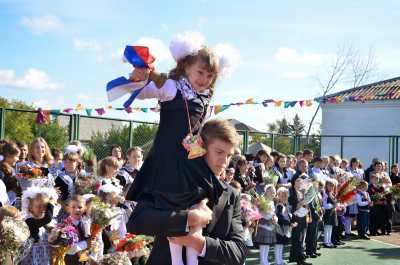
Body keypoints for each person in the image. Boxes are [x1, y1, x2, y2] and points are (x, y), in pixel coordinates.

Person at [127, 119, 246, 265]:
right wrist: (189, 218)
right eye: (219, 152)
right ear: (202, 147)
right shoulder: (170, 180)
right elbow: (137, 221)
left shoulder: (232, 194)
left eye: (229, 155)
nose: (224, 161)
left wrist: (199, 243)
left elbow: (239, 252)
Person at [21, 187, 57, 265]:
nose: (43, 209)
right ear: (30, 207)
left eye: (45, 206)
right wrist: (51, 204)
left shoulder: (49, 224)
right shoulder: (29, 221)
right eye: (38, 206)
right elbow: (47, 218)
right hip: (31, 259)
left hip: (44, 259)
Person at [253, 185, 277, 265]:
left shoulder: (272, 202)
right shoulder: (262, 200)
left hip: (270, 225)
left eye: (273, 192)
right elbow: (259, 211)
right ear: (266, 191)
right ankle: (263, 261)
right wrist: (265, 213)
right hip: (263, 224)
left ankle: (265, 261)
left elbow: (273, 212)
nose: (272, 193)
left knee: (267, 244)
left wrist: (274, 217)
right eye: (270, 191)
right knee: (263, 244)